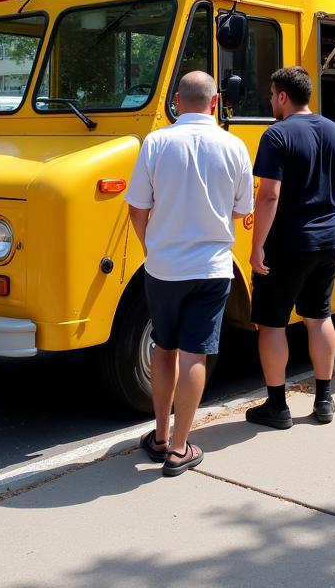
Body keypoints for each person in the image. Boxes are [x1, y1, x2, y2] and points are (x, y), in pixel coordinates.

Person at [125, 71, 254, 476]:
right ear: (216, 103)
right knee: (194, 353)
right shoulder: (234, 147)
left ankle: (159, 435)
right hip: (213, 267)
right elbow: (241, 209)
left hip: (164, 268)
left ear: (176, 101)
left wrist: (152, 248)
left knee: (164, 350)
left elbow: (136, 208)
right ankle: (180, 448)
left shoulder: (156, 143)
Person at [246, 66, 335, 430]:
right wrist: (328, 203)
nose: (270, 101)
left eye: (271, 95)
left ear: (282, 96)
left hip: (287, 243)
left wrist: (257, 247)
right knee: (319, 317)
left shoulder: (277, 134)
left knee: (272, 325)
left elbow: (268, 196)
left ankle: (278, 407)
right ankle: (324, 399)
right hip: (328, 239)